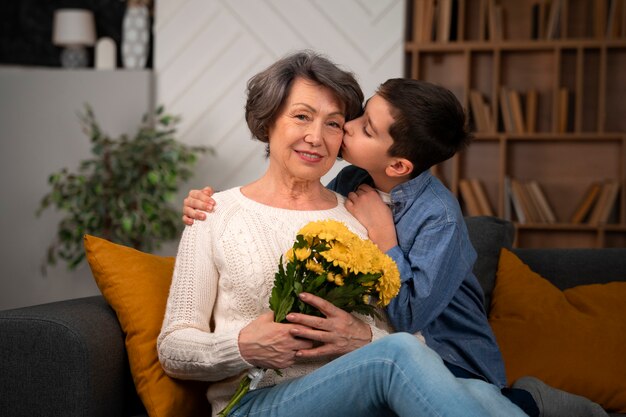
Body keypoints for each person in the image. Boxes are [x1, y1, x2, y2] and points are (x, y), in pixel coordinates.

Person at [181, 75, 609, 417]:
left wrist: (385, 236)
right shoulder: (347, 186)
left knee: (465, 391)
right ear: (269, 121)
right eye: (303, 117)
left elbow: (407, 316)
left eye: (351, 125)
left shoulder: (437, 215)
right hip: (376, 368)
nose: (339, 129)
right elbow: (291, 215)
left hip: (452, 357)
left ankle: (530, 402)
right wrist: (214, 207)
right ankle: (530, 402)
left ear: (399, 165)